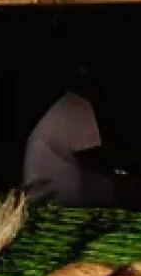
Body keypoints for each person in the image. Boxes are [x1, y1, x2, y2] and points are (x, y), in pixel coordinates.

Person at [23, 67, 115, 207]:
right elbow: (92, 155)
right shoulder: (78, 105)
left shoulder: (64, 104)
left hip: (39, 191)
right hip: (57, 196)